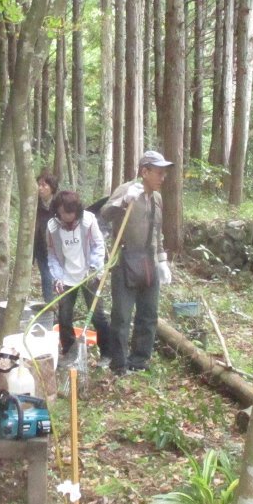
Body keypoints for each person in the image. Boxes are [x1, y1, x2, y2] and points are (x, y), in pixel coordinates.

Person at [101, 150, 174, 376]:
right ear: (145, 171)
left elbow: (157, 231)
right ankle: (119, 364)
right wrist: (123, 201)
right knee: (122, 315)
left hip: (148, 260)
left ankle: (139, 360)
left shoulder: (157, 198)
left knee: (148, 314)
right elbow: (104, 214)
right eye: (158, 172)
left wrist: (162, 260)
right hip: (125, 259)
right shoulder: (127, 190)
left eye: (164, 173)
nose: (162, 177)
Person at [46, 190, 112, 367]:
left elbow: (99, 246)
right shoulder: (52, 227)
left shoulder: (89, 221)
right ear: (58, 212)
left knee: (98, 315)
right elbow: (52, 255)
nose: (68, 217)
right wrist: (57, 278)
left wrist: (94, 268)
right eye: (63, 213)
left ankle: (106, 353)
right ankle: (69, 352)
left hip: (88, 275)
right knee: (65, 316)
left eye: (71, 212)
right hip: (66, 277)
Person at [34, 171, 59, 305]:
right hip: (40, 246)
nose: (40, 188)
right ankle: (49, 304)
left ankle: (62, 305)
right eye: (39, 185)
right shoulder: (34, 203)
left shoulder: (59, 203)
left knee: (59, 276)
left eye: (44, 185)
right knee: (45, 275)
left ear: (52, 187)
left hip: (58, 247)